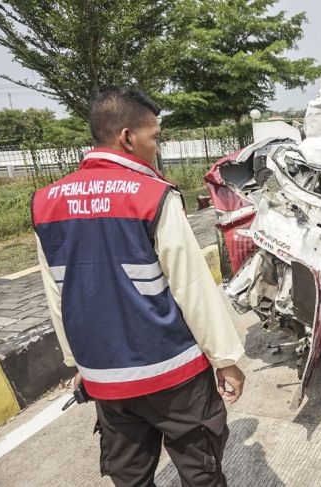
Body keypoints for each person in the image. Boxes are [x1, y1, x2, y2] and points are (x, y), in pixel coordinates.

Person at [32, 87, 245, 486]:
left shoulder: (45, 202)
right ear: (127, 138)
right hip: (173, 376)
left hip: (106, 379)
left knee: (129, 477)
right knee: (201, 472)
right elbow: (192, 287)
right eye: (155, 138)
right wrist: (226, 358)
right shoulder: (153, 196)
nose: (157, 149)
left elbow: (58, 294)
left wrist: (78, 364)